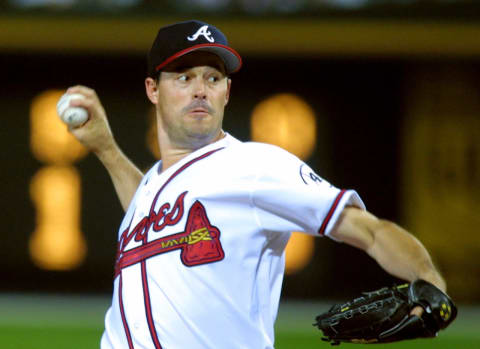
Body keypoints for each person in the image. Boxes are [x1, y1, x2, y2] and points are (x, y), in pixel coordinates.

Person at [65, 20, 446, 349]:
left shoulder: (255, 166)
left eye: (213, 78)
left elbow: (370, 231)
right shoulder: (153, 184)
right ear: (152, 89)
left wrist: (429, 279)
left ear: (226, 93)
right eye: (184, 77)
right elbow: (147, 210)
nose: (201, 89)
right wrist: (106, 149)